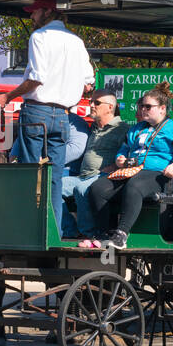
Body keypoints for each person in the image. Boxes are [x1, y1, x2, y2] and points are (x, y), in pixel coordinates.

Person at [0, 0, 95, 234]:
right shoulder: (76, 41)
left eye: (35, 12)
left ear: (48, 12)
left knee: (29, 173)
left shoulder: (40, 37)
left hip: (37, 112)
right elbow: (89, 82)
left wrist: (8, 96)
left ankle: (27, 230)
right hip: (62, 114)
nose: (31, 17)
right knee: (55, 178)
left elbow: (37, 78)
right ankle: (54, 233)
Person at [84, 83, 173, 250]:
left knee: (135, 185)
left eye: (148, 106)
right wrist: (120, 158)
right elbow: (124, 149)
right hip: (131, 171)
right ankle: (103, 234)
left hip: (160, 175)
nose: (143, 109)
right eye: (141, 105)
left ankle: (121, 234)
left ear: (162, 109)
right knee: (98, 187)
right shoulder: (136, 129)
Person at [60, 93, 128, 240]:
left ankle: (89, 235)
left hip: (104, 178)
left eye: (96, 103)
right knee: (51, 186)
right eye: (91, 102)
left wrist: (115, 167)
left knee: (81, 189)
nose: (91, 105)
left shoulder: (123, 129)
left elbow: (128, 154)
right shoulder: (93, 127)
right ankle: (69, 230)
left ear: (110, 107)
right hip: (83, 176)